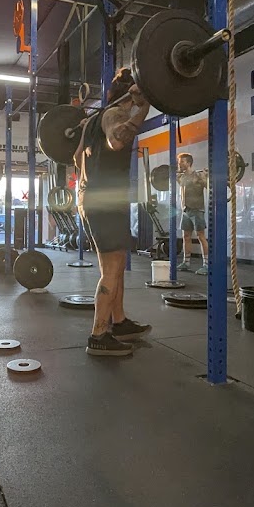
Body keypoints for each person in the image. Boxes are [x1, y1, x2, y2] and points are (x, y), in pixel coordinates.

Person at [74, 68, 152, 357]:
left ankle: (119, 322)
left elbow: (76, 156)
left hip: (92, 200)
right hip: (106, 203)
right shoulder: (116, 114)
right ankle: (98, 335)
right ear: (132, 93)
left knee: (114, 266)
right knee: (112, 270)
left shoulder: (90, 121)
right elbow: (117, 140)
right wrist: (143, 110)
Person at [176, 153, 209, 275]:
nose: (179, 164)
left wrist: (207, 176)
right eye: (179, 162)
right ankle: (186, 262)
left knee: (201, 236)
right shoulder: (181, 177)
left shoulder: (198, 176)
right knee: (186, 236)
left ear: (189, 163)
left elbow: (209, 186)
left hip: (197, 210)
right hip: (186, 210)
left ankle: (207, 265)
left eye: (182, 162)